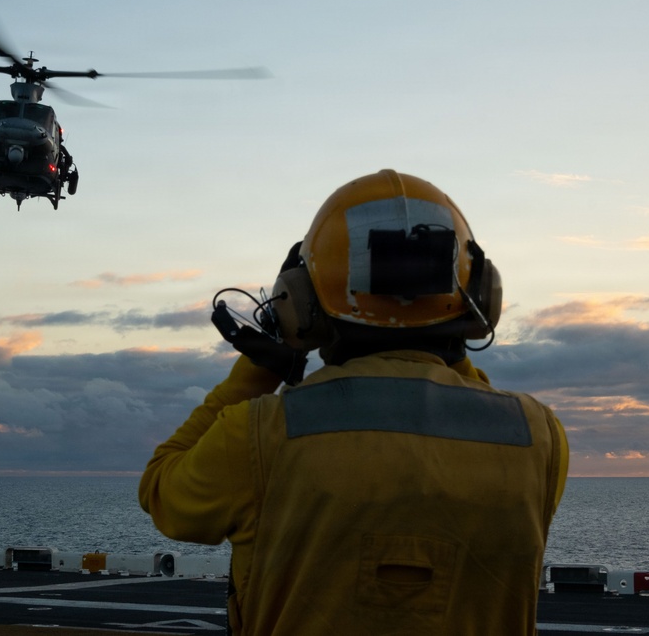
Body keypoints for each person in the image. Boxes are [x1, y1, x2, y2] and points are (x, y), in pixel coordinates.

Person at [138, 169, 569, 635]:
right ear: (481, 295)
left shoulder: (258, 434)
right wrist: (448, 344)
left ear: (301, 300)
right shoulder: (538, 437)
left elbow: (162, 492)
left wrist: (265, 364)